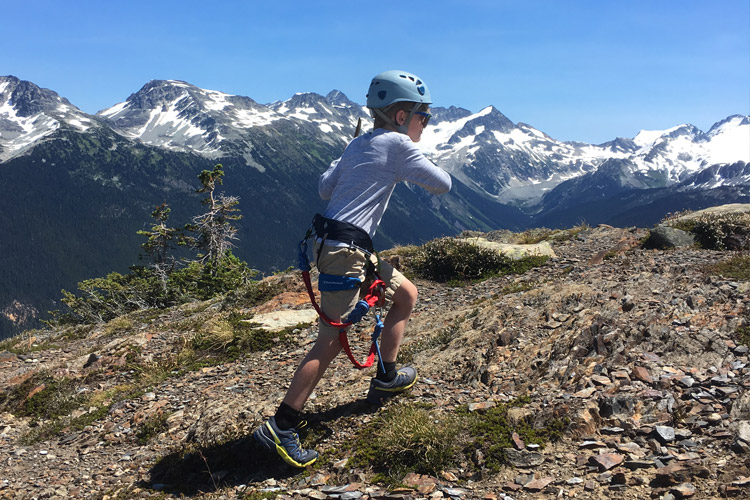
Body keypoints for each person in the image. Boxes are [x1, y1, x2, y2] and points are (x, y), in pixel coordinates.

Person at [253, 70, 452, 468]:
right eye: (423, 116)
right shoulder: (398, 144)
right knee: (329, 340)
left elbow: (326, 188)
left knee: (406, 294)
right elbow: (442, 183)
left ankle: (387, 374)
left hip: (340, 244)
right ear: (401, 116)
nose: (425, 124)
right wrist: (405, 158)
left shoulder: (359, 143)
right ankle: (282, 423)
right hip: (347, 252)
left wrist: (351, 155)